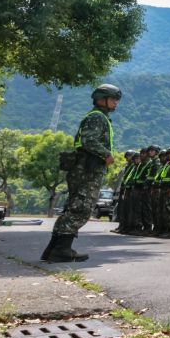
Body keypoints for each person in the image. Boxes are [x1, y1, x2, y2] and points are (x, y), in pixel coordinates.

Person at [41, 83, 120, 262]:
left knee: (74, 206)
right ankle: (61, 250)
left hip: (85, 168)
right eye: (113, 99)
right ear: (101, 99)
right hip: (87, 169)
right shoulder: (98, 117)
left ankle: (54, 248)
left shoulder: (99, 117)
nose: (116, 103)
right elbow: (88, 141)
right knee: (81, 207)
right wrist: (106, 154)